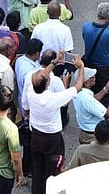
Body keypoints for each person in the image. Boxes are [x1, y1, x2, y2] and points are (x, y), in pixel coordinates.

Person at [28, 56, 85, 194]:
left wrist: (54, 62)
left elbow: (42, 76)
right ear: (48, 83)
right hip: (51, 139)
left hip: (36, 134)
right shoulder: (51, 98)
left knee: (38, 169)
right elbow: (77, 87)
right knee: (54, 169)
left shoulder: (31, 91)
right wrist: (81, 67)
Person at [81, 2, 109, 102]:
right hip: (105, 69)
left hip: (89, 64)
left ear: (97, 14)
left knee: (91, 88)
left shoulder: (86, 27)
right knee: (105, 92)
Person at [73, 69, 109, 143]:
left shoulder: (77, 92)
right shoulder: (87, 99)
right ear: (86, 83)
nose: (95, 77)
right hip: (93, 135)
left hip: (85, 131)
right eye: (92, 77)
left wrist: (105, 89)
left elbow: (92, 99)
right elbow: (107, 114)